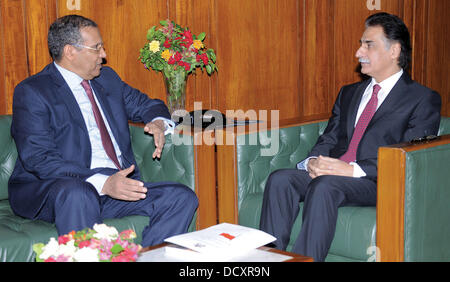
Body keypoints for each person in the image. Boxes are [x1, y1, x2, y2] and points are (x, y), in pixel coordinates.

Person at [259, 12, 441, 262]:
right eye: (360, 44)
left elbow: (408, 157)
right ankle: (269, 260)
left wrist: (351, 169)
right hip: (336, 173)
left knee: (325, 186)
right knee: (281, 179)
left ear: (394, 50)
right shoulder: (349, 93)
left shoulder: (421, 99)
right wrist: (312, 161)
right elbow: (330, 138)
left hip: (377, 181)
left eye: (369, 45)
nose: (358, 52)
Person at [8, 15, 198, 247]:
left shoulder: (107, 79)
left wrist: (158, 122)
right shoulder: (34, 92)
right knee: (79, 194)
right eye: (96, 48)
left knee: (181, 197)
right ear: (70, 51)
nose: (104, 55)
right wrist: (103, 183)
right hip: (58, 187)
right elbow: (40, 160)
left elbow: (148, 105)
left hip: (116, 183)